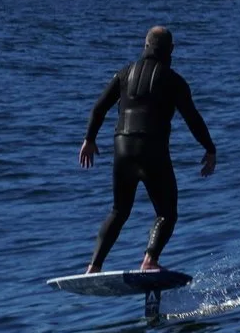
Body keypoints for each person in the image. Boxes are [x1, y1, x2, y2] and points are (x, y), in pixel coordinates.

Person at [79, 25, 216, 273]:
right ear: (170, 50)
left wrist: (89, 139)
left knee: (119, 211)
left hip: (122, 146)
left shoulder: (123, 74)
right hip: (152, 148)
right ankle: (149, 260)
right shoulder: (174, 81)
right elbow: (192, 118)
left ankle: (94, 265)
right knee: (167, 213)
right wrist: (210, 148)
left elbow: (98, 108)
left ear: (145, 46)